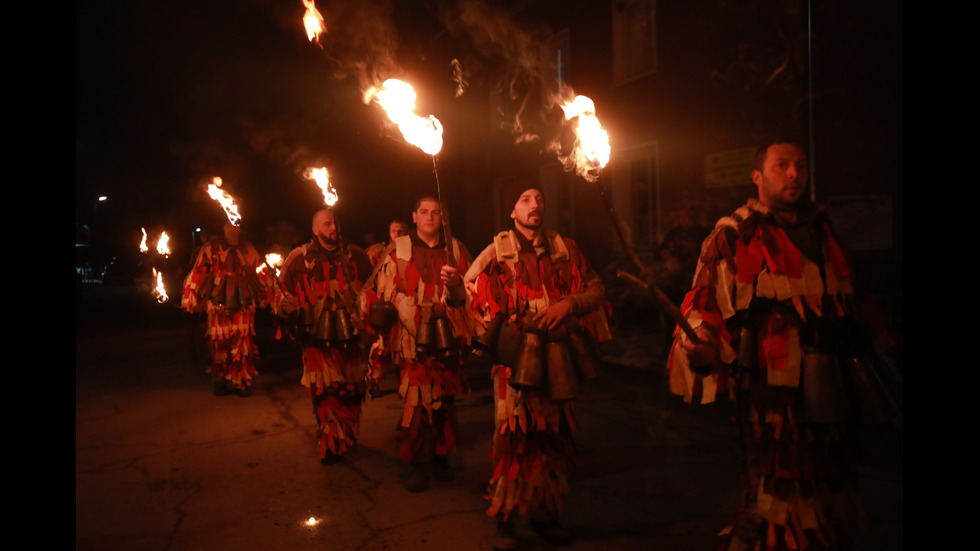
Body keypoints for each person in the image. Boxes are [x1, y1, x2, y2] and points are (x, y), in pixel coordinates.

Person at [670, 140, 890, 550]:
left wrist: (882, 344)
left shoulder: (822, 226)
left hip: (834, 377)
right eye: (782, 165)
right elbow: (703, 304)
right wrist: (700, 345)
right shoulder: (734, 233)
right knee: (781, 484)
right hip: (772, 385)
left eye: (801, 166)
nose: (794, 174)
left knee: (832, 482)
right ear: (757, 176)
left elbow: (852, 295)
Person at [463, 184, 611, 550]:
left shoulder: (566, 248)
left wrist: (569, 304)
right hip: (515, 359)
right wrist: (455, 288)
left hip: (559, 355)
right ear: (512, 212)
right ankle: (506, 517)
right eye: (526, 200)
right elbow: (465, 290)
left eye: (540, 199)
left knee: (554, 437)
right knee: (514, 438)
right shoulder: (495, 251)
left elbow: (596, 289)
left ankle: (547, 515)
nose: (535, 205)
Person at [365, 197, 474, 492]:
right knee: (418, 400)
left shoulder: (456, 249)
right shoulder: (398, 249)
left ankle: (441, 456)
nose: (430, 217)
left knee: (445, 398)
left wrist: (454, 293)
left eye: (436, 212)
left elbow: (470, 292)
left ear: (443, 217)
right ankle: (419, 461)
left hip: (448, 337)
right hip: (412, 340)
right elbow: (387, 292)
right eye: (424, 212)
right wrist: (414, 314)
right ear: (414, 217)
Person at [276, 209, 373, 464]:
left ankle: (348, 435)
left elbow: (373, 290)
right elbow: (281, 292)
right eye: (326, 224)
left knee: (350, 389)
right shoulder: (299, 258)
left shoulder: (357, 256)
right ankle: (330, 441)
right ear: (315, 230)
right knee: (325, 391)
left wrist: (364, 315)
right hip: (316, 339)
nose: (333, 227)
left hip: (349, 337)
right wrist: (285, 305)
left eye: (335, 223)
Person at [181, 221, 272, 397]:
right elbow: (198, 272)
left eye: (236, 226)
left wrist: (270, 293)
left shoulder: (249, 248)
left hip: (244, 304)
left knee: (242, 344)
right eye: (228, 225)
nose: (232, 229)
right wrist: (190, 298)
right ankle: (220, 380)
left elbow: (261, 271)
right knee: (218, 344)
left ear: (240, 228)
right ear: (222, 228)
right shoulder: (211, 249)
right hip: (217, 303)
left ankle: (241, 382)